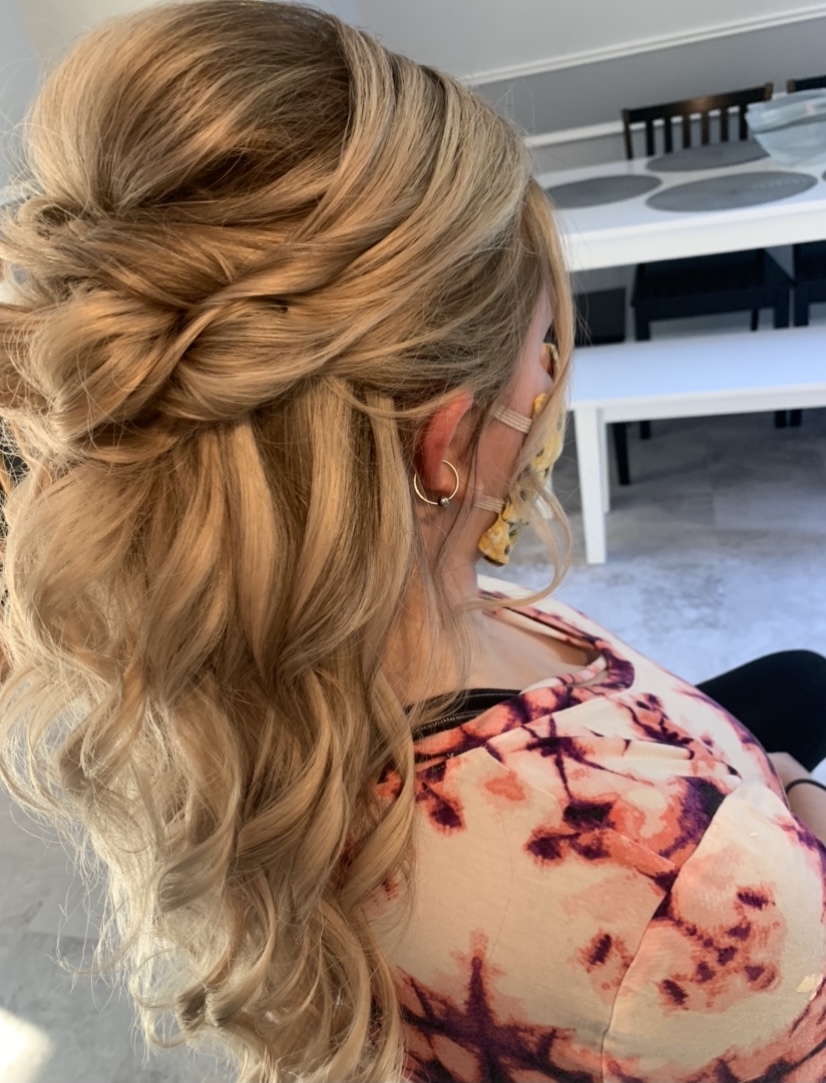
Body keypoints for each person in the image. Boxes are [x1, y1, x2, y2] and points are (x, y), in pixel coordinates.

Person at [0, 3, 825, 1081]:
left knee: (802, 679)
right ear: (446, 443)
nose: (549, 380)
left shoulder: (208, 672)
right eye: (542, 347)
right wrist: (794, 819)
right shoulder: (706, 905)